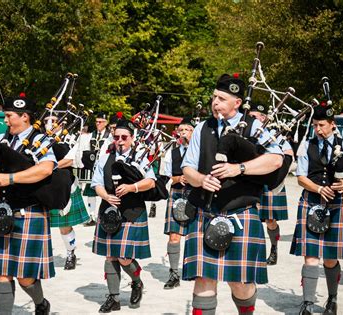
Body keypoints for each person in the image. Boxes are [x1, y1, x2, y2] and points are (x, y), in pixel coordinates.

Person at [182, 73, 284, 315]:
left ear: (237, 102)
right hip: (205, 211)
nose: (215, 102)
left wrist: (238, 168)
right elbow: (187, 167)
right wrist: (201, 180)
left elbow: (276, 159)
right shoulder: (202, 128)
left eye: (222, 98)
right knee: (204, 279)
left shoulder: (254, 126)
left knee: (241, 284)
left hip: (241, 213)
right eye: (214, 97)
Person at [290, 104, 343, 314]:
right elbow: (300, 177)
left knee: (330, 257)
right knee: (310, 255)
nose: (318, 129)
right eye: (315, 125)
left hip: (337, 206)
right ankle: (307, 303)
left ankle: (332, 298)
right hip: (311, 202)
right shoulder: (306, 145)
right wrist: (317, 188)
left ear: (333, 125)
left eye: (322, 125)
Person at [0, 96, 56, 314]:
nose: (5, 120)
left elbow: (45, 169)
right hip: (1, 210)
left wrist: (10, 179)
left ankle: (41, 303)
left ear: (24, 117)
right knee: (2, 272)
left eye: (9, 116)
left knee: (25, 277)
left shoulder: (41, 140)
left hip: (29, 211)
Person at [91, 118, 156, 313]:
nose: (120, 140)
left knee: (124, 258)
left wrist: (132, 187)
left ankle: (136, 281)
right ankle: (114, 298)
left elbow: (151, 181)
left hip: (132, 211)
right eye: (116, 136)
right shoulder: (105, 157)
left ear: (132, 138)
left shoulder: (140, 157)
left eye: (124, 137)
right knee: (110, 256)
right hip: (109, 210)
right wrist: (106, 196)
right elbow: (96, 183)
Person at [249, 103, 294, 265]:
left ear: (264, 118)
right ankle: (255, 252)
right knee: (250, 217)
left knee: (270, 220)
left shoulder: (276, 134)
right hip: (250, 179)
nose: (251, 119)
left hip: (270, 182)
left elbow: (289, 154)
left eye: (255, 116)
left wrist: (278, 179)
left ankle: (273, 248)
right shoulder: (246, 133)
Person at [44, 113, 90, 270]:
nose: (50, 124)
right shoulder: (38, 139)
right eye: (46, 121)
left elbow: (72, 160)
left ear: (62, 124)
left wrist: (49, 165)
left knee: (64, 226)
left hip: (64, 185)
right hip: (42, 186)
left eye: (54, 121)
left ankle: (71, 254)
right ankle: (41, 253)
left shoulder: (72, 138)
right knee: (39, 222)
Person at [161, 117, 194, 289]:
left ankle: (197, 268)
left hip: (197, 194)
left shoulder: (201, 151)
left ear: (193, 132)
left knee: (198, 235)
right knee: (174, 235)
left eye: (186, 130)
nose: (182, 133)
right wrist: (177, 178)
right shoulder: (171, 153)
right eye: (180, 130)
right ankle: (174, 273)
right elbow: (165, 179)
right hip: (177, 194)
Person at [82, 112, 111, 226]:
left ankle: (107, 214)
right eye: (97, 122)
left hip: (105, 165)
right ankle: (91, 216)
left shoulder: (109, 136)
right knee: (91, 192)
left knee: (107, 191)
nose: (98, 124)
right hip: (92, 165)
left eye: (101, 122)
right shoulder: (91, 135)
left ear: (106, 123)